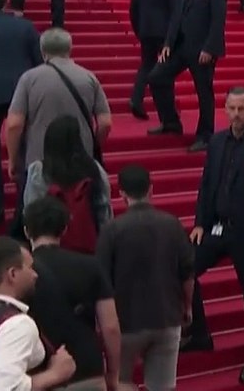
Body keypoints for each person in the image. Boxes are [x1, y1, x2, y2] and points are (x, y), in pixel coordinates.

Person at [182, 87, 244, 384]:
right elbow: (207, 184)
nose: (236, 115)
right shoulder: (216, 141)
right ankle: (199, 333)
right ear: (224, 109)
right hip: (215, 227)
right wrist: (200, 222)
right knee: (184, 268)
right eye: (231, 109)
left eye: (242, 109)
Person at [96, 164, 195, 391]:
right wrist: (187, 306)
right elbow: (188, 271)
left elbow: (101, 280)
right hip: (167, 317)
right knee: (163, 386)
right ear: (151, 189)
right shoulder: (172, 224)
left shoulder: (112, 230)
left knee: (121, 382)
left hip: (127, 322)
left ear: (120, 193)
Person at [5, 28, 111, 236]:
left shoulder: (29, 78)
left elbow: (14, 123)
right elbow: (106, 122)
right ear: (70, 49)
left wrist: (12, 158)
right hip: (81, 161)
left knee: (37, 217)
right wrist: (92, 145)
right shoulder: (88, 77)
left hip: (40, 161)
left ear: (43, 51)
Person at [22, 197, 123, 391]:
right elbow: (110, 326)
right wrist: (114, 373)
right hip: (87, 368)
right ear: (64, 228)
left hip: (40, 374)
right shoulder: (90, 265)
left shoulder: (19, 274)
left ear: (27, 231)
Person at [148, 0, 227, 153]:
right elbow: (175, 18)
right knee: (157, 77)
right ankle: (171, 122)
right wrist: (167, 44)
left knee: (204, 92)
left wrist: (210, 48)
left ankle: (205, 135)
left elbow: (218, 21)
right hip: (179, 47)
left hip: (202, 49)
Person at [0, 236, 77, 390]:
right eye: (29, 267)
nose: (35, 274)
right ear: (13, 274)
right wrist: (55, 374)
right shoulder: (16, 324)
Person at [0, 0, 41, 229]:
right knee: (25, 149)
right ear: (6, 1)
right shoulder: (25, 26)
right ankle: (24, 206)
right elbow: (40, 61)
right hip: (23, 92)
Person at [21, 116, 113, 252]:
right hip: (88, 246)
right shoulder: (94, 168)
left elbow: (31, 208)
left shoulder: (40, 170)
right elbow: (104, 209)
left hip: (49, 247)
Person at [127, 0, 174, 120]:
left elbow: (133, 10)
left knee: (146, 65)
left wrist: (139, 30)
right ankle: (167, 107)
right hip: (164, 32)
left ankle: (136, 98)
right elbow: (174, 8)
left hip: (146, 30)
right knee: (165, 69)